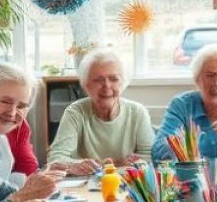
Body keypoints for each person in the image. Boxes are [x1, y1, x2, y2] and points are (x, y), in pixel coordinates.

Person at [47, 47, 155, 175]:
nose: (107, 86)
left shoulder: (137, 112)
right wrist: (80, 165)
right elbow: (55, 159)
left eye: (113, 79)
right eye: (98, 80)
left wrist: (116, 166)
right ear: (86, 86)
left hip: (127, 184)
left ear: (122, 83)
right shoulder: (75, 112)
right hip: (84, 186)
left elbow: (150, 158)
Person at [0, 63, 40, 185]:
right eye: (5, 102)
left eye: (21, 106)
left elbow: (28, 168)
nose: (12, 113)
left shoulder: (1, 141)